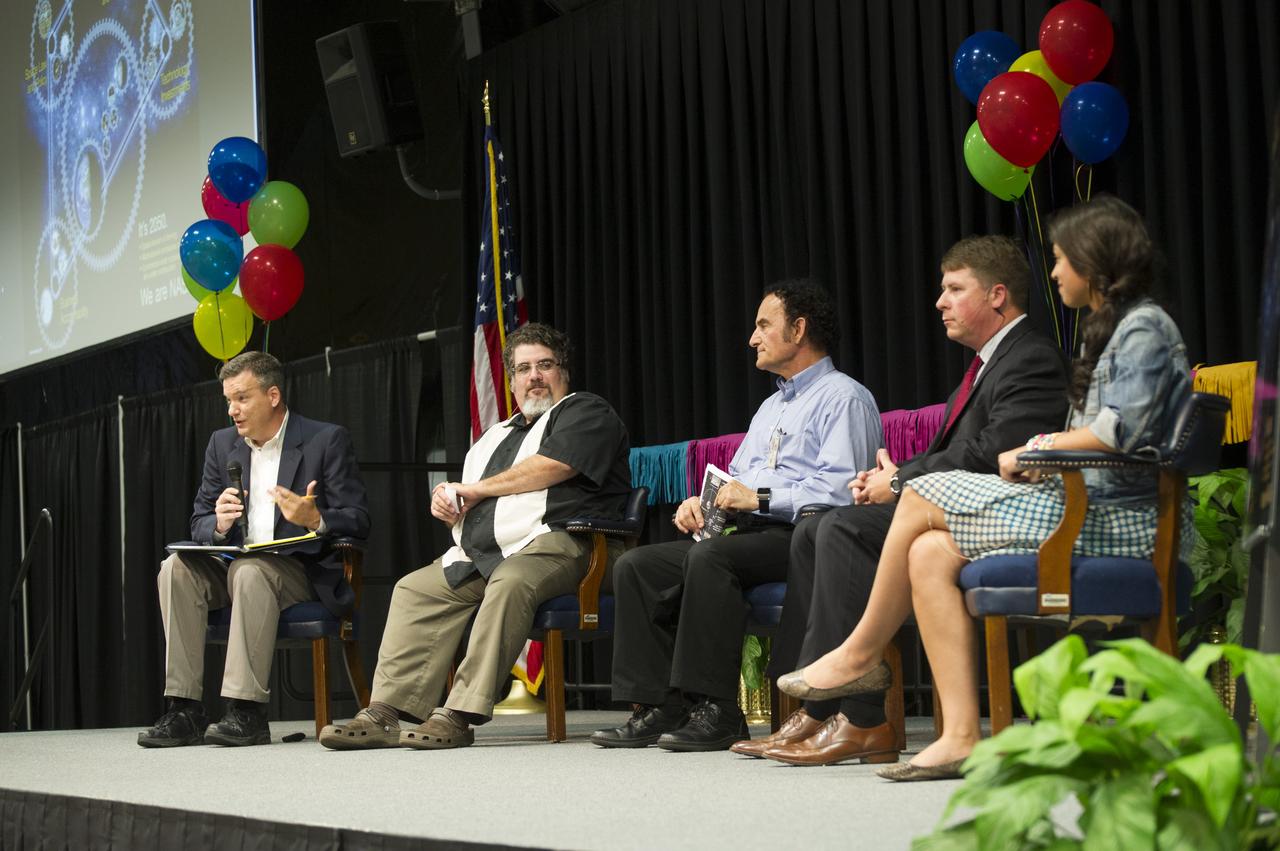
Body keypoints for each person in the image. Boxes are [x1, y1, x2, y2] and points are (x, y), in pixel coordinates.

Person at [778, 195, 1192, 780]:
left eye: (1060, 258)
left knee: (918, 494)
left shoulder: (1144, 326)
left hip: (1116, 521)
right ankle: (961, 736)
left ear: (1095, 259)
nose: (1053, 272)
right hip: (1082, 505)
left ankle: (860, 652)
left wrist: (1038, 449)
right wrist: (1043, 460)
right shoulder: (1112, 331)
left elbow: (1120, 432)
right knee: (927, 552)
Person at [751, 236, 1068, 766]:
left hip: (1004, 514)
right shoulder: (987, 365)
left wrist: (900, 482)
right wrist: (893, 478)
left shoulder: (1031, 357)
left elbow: (998, 451)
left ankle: (859, 715)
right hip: (960, 507)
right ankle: (821, 709)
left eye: (954, 289)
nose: (940, 302)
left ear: (997, 295)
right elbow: (964, 451)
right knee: (816, 527)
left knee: (841, 528)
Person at [592, 279, 883, 752]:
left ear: (799, 329)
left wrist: (760, 499)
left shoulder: (844, 397)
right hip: (746, 533)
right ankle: (660, 705)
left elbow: (840, 490)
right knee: (637, 566)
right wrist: (701, 503)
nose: (752, 338)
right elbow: (736, 480)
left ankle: (719, 709)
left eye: (764, 325)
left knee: (710, 559)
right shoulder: (770, 406)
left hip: (804, 537)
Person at [319, 323, 631, 751]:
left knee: (512, 580)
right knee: (415, 588)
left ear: (563, 372)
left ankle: (460, 713)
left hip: (573, 543)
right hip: (493, 552)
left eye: (545, 365)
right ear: (511, 381)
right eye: (523, 369)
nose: (534, 376)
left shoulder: (585, 411)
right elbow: (475, 507)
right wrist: (449, 505)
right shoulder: (494, 437)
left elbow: (555, 466)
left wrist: (476, 490)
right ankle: (386, 713)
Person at [138, 351, 370, 748]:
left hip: (298, 570)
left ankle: (246, 711)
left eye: (242, 398)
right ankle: (184, 708)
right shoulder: (222, 444)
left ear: (273, 396)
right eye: (229, 400)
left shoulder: (324, 440)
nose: (232, 410)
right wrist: (219, 523)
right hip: (233, 566)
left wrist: (316, 518)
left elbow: (359, 519)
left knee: (251, 571)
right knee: (175, 568)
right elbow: (199, 522)